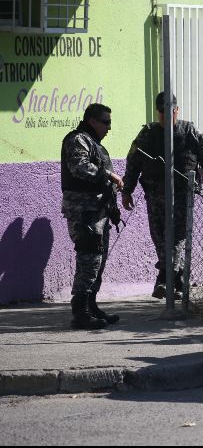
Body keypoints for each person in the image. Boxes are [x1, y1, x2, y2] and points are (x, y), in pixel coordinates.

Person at [121, 93, 203, 300]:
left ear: (177, 110)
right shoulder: (148, 134)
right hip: (155, 196)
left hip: (182, 196)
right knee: (159, 239)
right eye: (161, 113)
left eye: (169, 112)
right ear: (157, 112)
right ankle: (177, 282)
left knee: (176, 238)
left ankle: (164, 279)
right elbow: (133, 162)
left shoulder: (189, 131)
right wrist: (127, 190)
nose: (165, 117)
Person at [61, 103, 123, 329]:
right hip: (84, 212)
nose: (109, 127)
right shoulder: (78, 140)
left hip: (98, 211)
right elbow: (79, 167)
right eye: (105, 122)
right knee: (88, 259)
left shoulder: (94, 143)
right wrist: (109, 175)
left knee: (98, 260)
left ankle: (91, 305)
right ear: (92, 121)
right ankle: (81, 313)